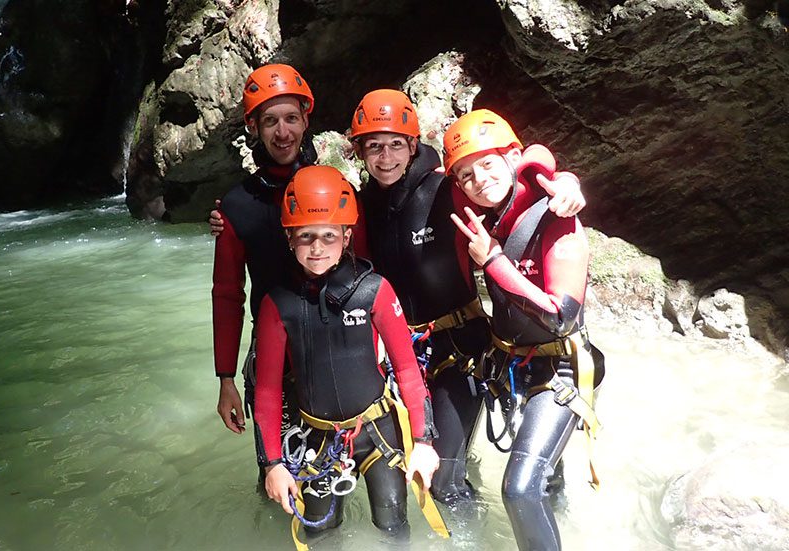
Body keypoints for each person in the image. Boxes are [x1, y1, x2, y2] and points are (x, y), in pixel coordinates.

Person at [348, 89, 586, 504]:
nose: (385, 158)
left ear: (413, 145)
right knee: (415, 468)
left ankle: (541, 511)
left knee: (444, 482)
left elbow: (514, 176)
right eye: (374, 147)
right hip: (403, 353)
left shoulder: (447, 191)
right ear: (360, 153)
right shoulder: (363, 204)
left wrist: (565, 181)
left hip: (461, 347)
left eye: (395, 145)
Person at [444, 109, 604, 551]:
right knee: (546, 481)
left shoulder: (556, 215)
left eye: (488, 164)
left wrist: (493, 261)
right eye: (467, 175)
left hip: (561, 370)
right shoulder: (490, 217)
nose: (479, 180)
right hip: (516, 367)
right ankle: (564, 524)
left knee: (519, 491)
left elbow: (561, 316)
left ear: (512, 159)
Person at [253, 165, 441, 539]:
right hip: (318, 438)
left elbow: (407, 370)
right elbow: (268, 392)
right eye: (306, 236)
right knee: (320, 534)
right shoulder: (278, 305)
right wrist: (272, 463)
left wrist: (423, 442)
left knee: (393, 527)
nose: (317, 247)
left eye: (328, 235)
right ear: (289, 238)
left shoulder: (375, 291)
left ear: (347, 236)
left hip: (378, 433)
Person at [212, 63, 317, 447]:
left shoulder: (333, 190)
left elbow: (367, 276)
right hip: (274, 360)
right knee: (274, 473)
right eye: (270, 121)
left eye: (291, 118)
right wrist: (225, 378)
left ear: (305, 121)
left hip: (334, 350)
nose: (282, 132)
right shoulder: (237, 206)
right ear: (253, 127)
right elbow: (227, 294)